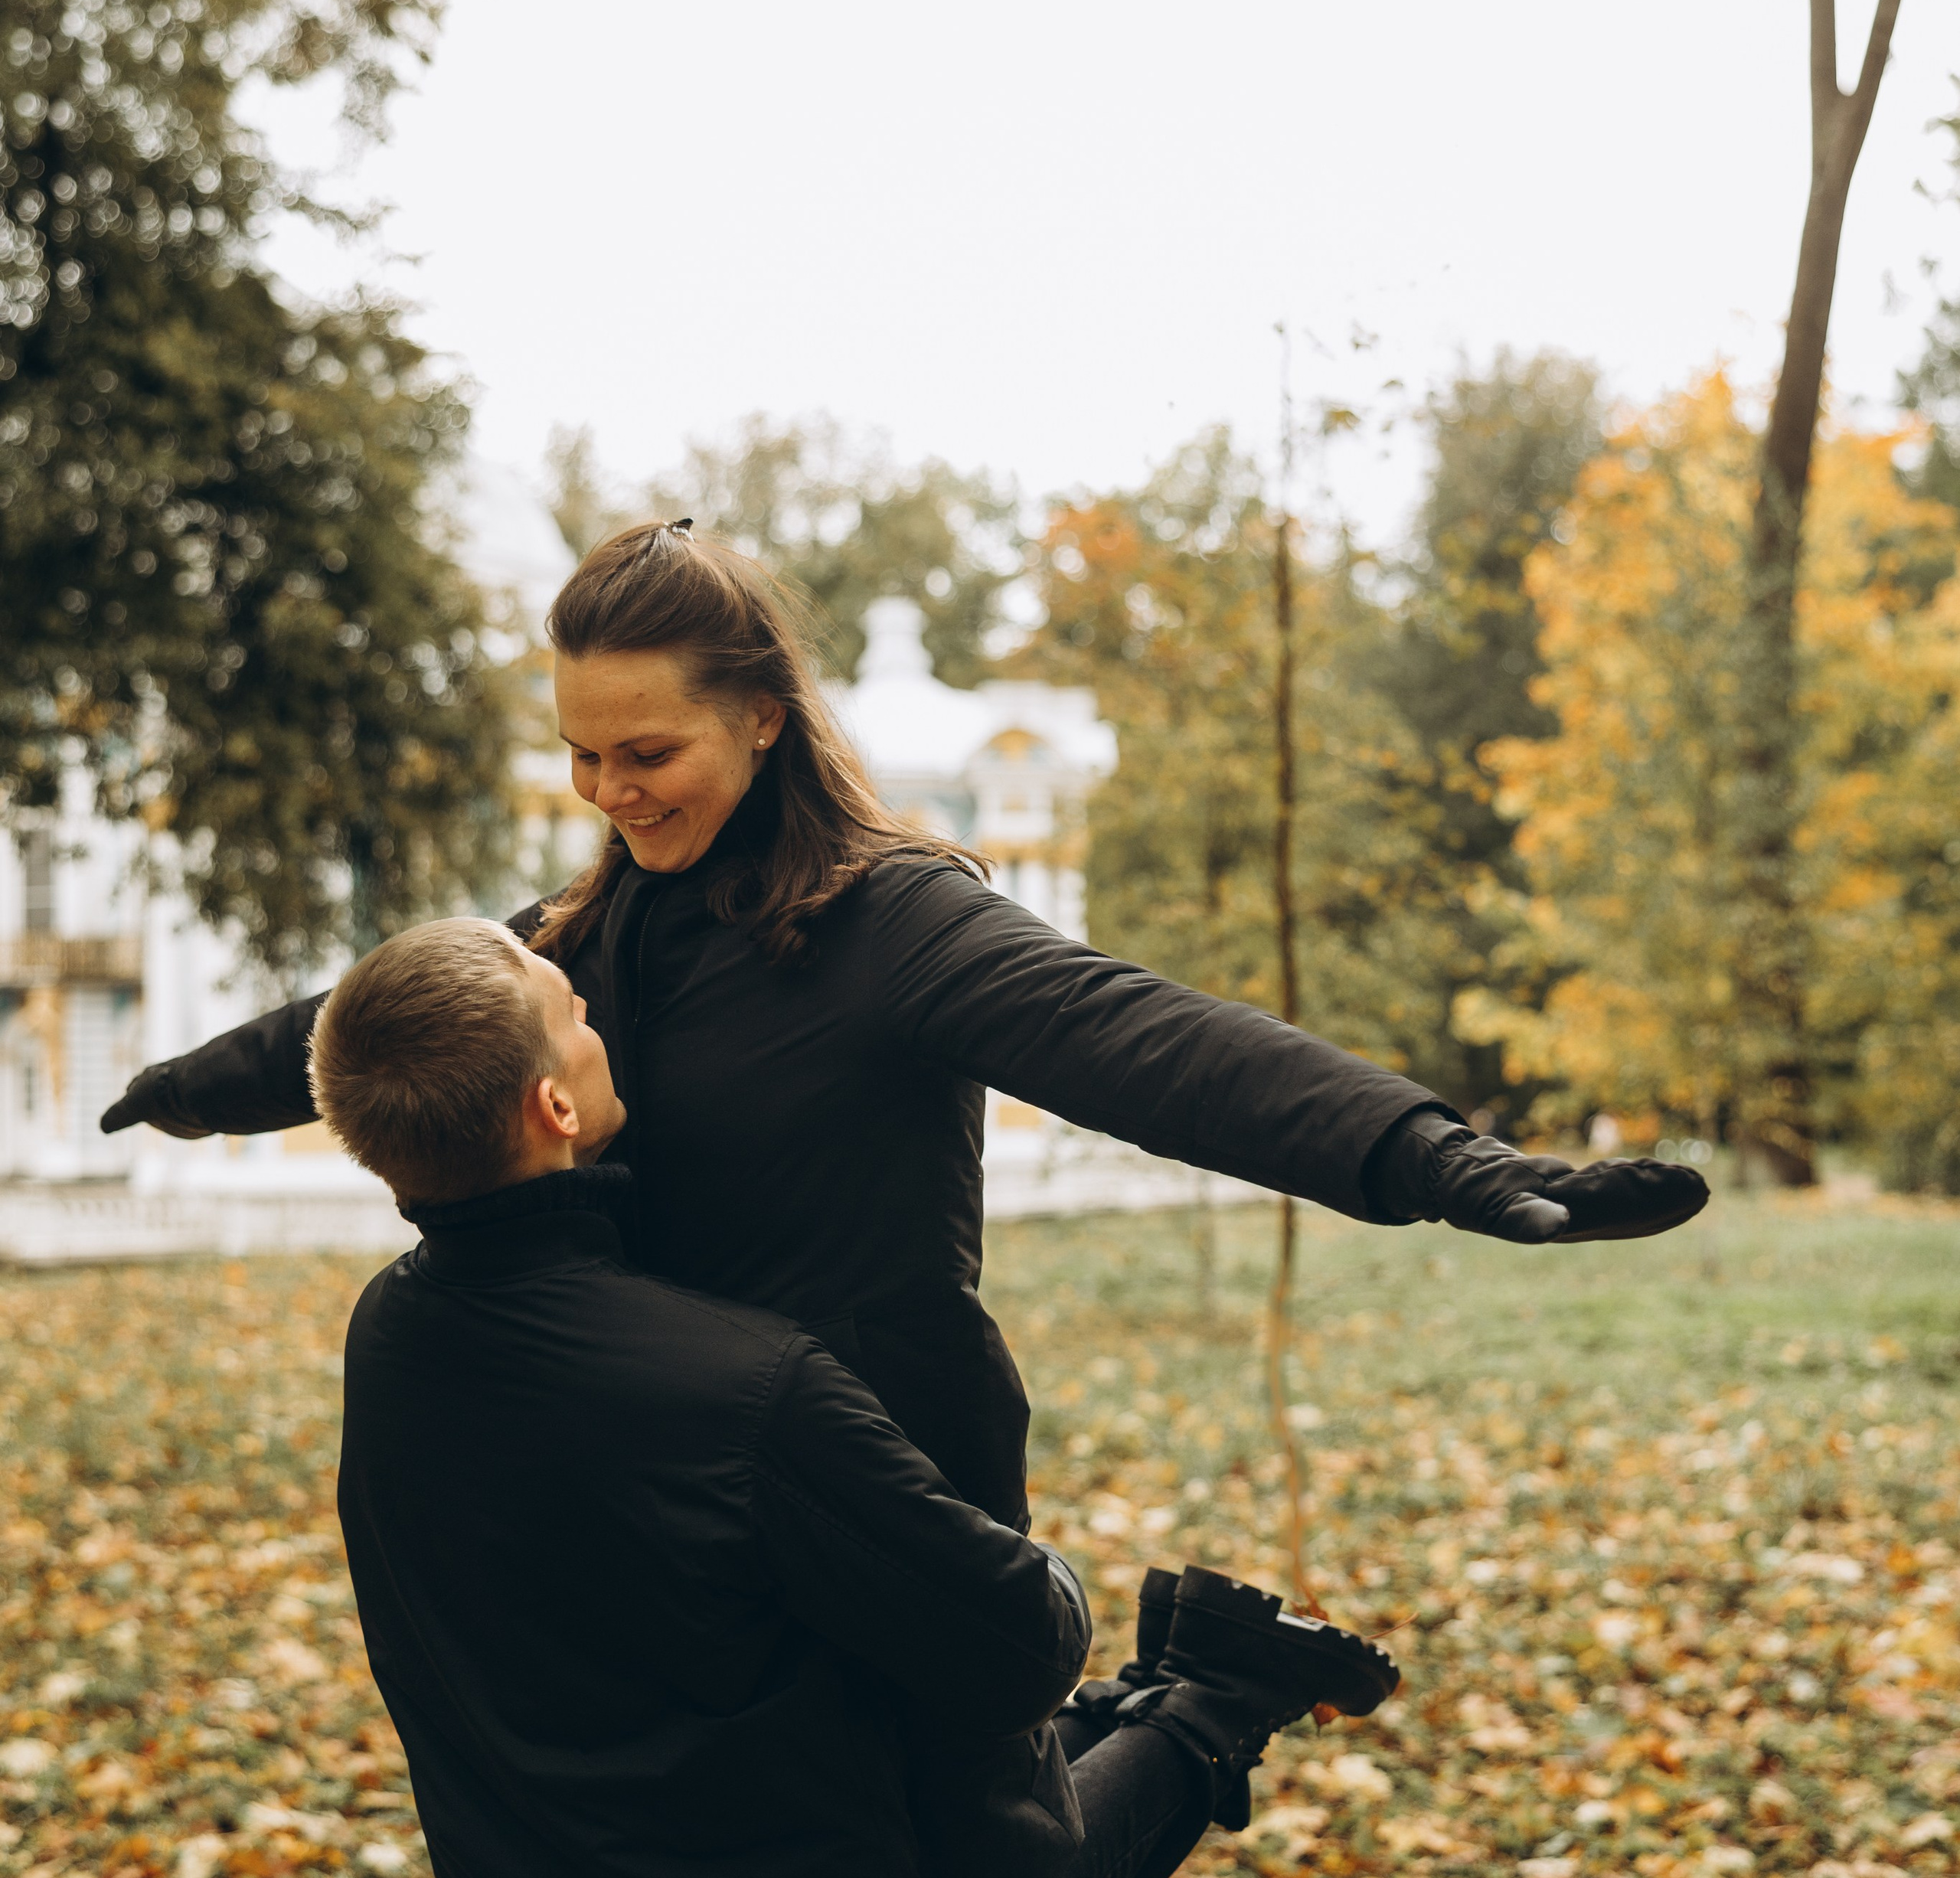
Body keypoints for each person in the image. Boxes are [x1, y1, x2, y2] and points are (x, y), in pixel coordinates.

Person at [311, 916, 1400, 1878]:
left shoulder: (391, 1338)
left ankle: (1200, 1690)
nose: (600, 1018)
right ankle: (1208, 1690)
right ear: (552, 1108)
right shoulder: (748, 1390)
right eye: (575, 1014)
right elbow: (1019, 1641)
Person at [103, 524, 1707, 1575]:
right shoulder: (587, 935)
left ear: (760, 717)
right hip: (680, 1492)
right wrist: (187, 1093)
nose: (611, 788)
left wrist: (1435, 1160)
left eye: (644, 750)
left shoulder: (894, 925)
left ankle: (1183, 1728)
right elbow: (378, 1025)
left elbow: (1144, 1042)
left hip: (888, 1499)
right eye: (581, 754)